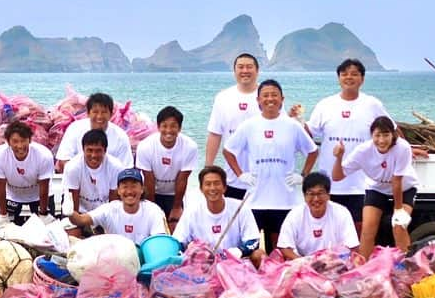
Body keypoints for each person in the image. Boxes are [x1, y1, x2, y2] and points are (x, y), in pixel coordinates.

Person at [292, 58, 392, 226]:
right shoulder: (326, 105)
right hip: (330, 184)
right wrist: (297, 120)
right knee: (331, 230)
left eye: (354, 74)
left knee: (359, 230)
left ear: (362, 79)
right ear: (338, 78)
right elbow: (309, 132)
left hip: (361, 184)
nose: (349, 77)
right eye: (344, 74)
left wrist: (408, 149)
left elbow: (391, 129)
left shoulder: (372, 104)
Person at [223, 79, 318, 252]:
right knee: (252, 251)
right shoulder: (249, 126)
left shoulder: (293, 126)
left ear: (282, 98)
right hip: (255, 200)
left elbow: (312, 151)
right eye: (265, 95)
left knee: (280, 251)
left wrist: (303, 175)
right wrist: (240, 174)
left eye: (274, 95)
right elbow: (228, 151)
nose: (270, 99)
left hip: (285, 200)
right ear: (258, 100)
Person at [332, 116, 419, 259]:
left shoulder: (402, 147)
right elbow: (337, 176)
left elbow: (397, 181)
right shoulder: (363, 151)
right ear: (371, 135)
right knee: (367, 230)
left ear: (393, 134)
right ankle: (363, 269)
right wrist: (339, 157)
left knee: (398, 226)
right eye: (377, 135)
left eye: (386, 135)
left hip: (404, 188)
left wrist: (398, 211)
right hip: (377, 188)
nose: (382, 140)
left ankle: (406, 266)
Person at [173, 165, 265, 267]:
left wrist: (240, 251)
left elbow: (254, 241)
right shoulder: (191, 211)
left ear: (225, 187)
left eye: (217, 183)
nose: (212, 188)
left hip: (235, 263)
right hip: (203, 265)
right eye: (208, 184)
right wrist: (190, 249)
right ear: (201, 189)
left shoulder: (241, 207)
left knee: (259, 255)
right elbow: (177, 242)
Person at [206, 53, 261, 199]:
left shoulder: (267, 95)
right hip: (232, 178)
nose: (245, 71)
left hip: (263, 179)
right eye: (240, 67)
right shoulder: (223, 98)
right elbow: (215, 134)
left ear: (257, 70)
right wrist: (208, 167)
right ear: (234, 71)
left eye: (249, 67)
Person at [135, 105, 198, 226]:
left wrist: (176, 207)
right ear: (158, 127)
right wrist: (152, 208)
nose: (168, 130)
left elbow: (182, 178)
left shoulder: (190, 146)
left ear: (179, 128)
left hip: (174, 193)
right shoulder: (145, 146)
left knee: (175, 225)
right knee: (151, 223)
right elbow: (149, 179)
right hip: (151, 191)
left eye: (173, 126)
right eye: (164, 126)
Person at [68, 168, 167, 244]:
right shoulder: (109, 209)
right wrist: (70, 212)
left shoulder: (153, 210)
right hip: (115, 262)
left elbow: (159, 242)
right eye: (124, 187)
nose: (129, 191)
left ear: (141, 189)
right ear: (118, 190)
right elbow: (80, 220)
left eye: (134, 186)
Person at [277, 172, 360, 260]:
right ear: (304, 196)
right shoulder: (294, 215)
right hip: (304, 263)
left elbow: (353, 246)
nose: (316, 199)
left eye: (320, 193)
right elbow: (284, 246)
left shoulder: (342, 212)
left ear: (328, 195)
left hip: (334, 263)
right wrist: (302, 262)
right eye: (311, 194)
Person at [0, 121, 54, 224]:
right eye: (15, 141)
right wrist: (2, 215)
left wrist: (43, 214)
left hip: (38, 194)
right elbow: (0, 186)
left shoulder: (44, 155)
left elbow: (44, 186)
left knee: (46, 230)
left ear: (30, 140)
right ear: (8, 141)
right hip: (11, 195)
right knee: (2, 230)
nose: (19, 146)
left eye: (23, 141)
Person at [55, 92, 133, 171]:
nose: (99, 116)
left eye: (104, 112)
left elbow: (126, 167)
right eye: (95, 112)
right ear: (88, 113)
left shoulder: (120, 136)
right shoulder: (75, 129)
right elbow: (64, 159)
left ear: (111, 114)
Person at [62, 129, 126, 216]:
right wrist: (79, 222)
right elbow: (74, 206)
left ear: (105, 150)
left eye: (98, 151)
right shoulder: (72, 167)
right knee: (72, 229)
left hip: (105, 213)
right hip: (81, 212)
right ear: (83, 149)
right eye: (90, 150)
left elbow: (113, 203)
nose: (93, 155)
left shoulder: (116, 167)